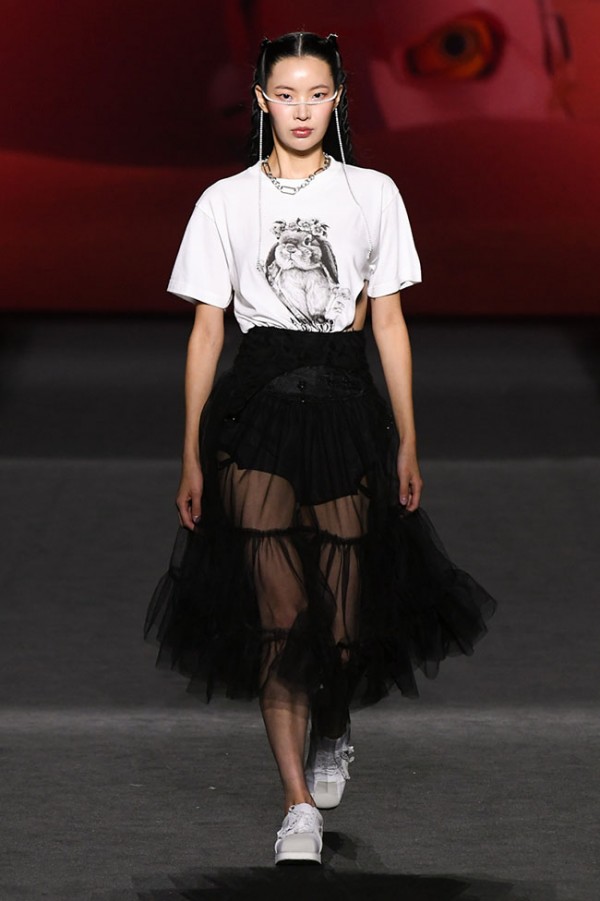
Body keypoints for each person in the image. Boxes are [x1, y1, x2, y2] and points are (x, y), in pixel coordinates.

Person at [144, 31, 497, 866]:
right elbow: (206, 332)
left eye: (316, 93)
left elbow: (390, 323)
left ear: (338, 99)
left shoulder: (373, 193)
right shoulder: (224, 201)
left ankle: (332, 718)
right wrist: (190, 451)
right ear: (261, 100)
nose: (301, 109)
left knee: (341, 617)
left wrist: (409, 437)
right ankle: (296, 806)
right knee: (278, 616)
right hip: (257, 408)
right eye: (286, 93)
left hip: (345, 404)